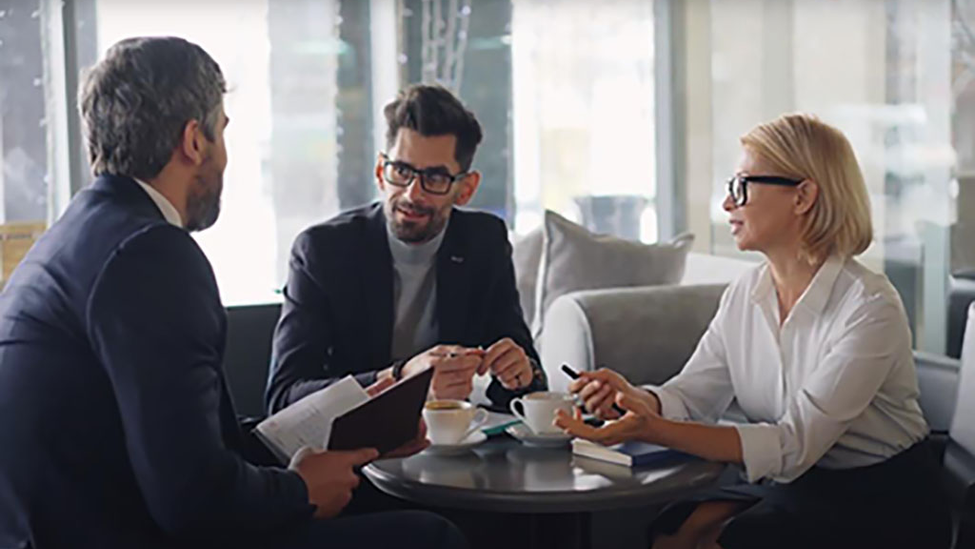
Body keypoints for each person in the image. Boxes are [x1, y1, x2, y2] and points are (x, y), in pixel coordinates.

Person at [0, 37, 466, 549]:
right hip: (126, 531)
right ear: (194, 141)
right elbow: (194, 498)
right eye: (222, 131)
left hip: (87, 520)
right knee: (429, 537)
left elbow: (185, 448)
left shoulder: (79, 236)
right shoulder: (149, 253)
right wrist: (300, 491)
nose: (224, 154)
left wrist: (359, 437)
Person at [556, 113, 951, 549]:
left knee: (737, 539)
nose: (728, 203)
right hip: (801, 483)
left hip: (883, 495)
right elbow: (692, 395)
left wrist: (650, 429)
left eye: (742, 186)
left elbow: (793, 444)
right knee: (676, 530)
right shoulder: (747, 292)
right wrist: (635, 400)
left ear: (803, 196)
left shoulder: (870, 305)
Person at [266, 84, 546, 415]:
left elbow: (529, 389)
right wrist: (401, 379)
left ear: (465, 189)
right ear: (380, 173)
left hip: (456, 448)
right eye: (402, 171)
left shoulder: (483, 242)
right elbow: (284, 400)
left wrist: (520, 372)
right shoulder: (323, 252)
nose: (413, 193)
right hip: (355, 453)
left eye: (436, 178)